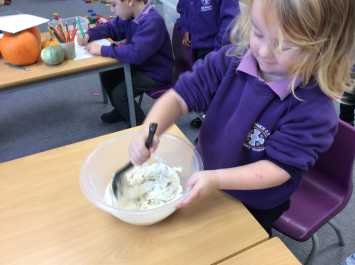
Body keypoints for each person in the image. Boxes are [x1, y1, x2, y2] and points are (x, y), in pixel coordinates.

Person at [128, 0, 355, 235]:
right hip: (205, 175)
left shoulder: (313, 110)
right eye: (258, 32)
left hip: (255, 202)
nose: (264, 52)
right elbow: (179, 97)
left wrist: (217, 179)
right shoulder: (230, 59)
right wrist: (150, 129)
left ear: (325, 48)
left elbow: (278, 168)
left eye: (285, 46)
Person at [77, 0, 173, 125]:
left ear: (129, 2)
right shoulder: (131, 15)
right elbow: (111, 27)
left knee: (119, 94)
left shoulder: (152, 21)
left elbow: (135, 54)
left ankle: (140, 125)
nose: (112, 10)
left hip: (155, 74)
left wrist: (102, 50)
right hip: (140, 66)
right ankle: (122, 110)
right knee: (107, 74)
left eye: (114, 5)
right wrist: (89, 35)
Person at [175, 0, 240, 128]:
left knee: (217, 90)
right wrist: (187, 28)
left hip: (215, 48)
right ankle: (206, 117)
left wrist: (218, 49)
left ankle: (214, 127)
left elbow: (230, 20)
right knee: (204, 87)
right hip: (197, 45)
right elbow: (183, 7)